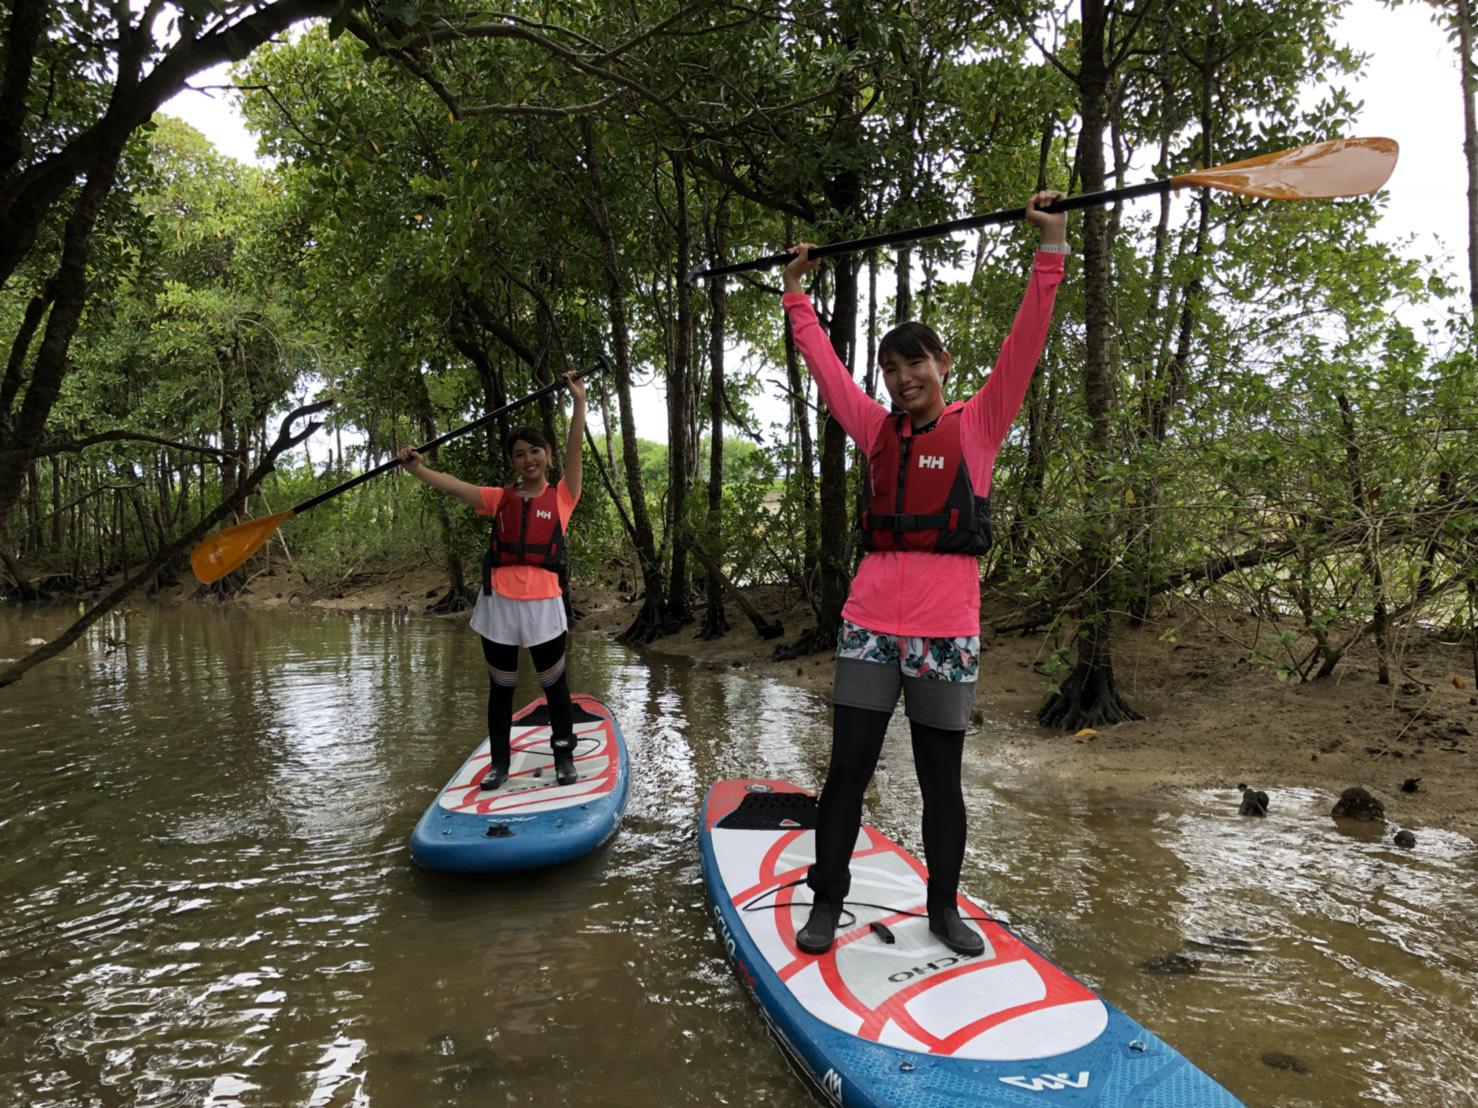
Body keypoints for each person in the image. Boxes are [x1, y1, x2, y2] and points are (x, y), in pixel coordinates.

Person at [781, 192, 1069, 956]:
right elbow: (826, 372)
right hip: (870, 626)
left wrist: (1051, 248)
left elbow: (1026, 343)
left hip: (946, 632)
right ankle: (827, 901)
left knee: (942, 780)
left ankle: (943, 908)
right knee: (847, 772)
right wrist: (796, 294)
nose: (903, 377)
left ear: (942, 365)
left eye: (916, 363)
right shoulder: (875, 430)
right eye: (892, 367)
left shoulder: (978, 426)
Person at [396, 372, 587, 790]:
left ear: (547, 455)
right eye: (519, 454)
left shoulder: (562, 496)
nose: (527, 459)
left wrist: (579, 402)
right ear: (513, 462)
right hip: (499, 604)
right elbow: (454, 487)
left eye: (534, 450)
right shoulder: (499, 498)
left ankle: (563, 758)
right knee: (501, 688)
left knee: (555, 685)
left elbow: (575, 451)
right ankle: (500, 763)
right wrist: (417, 470)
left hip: (543, 606)